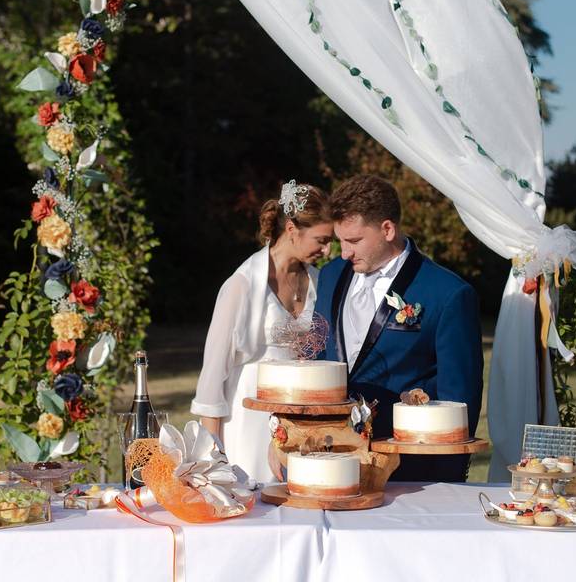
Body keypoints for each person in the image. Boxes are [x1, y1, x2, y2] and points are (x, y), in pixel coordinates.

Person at [314, 175, 483, 482]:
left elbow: (460, 399)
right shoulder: (330, 276)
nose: (344, 253)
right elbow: (317, 361)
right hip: (330, 459)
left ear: (387, 229)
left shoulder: (447, 294)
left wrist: (447, 481)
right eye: (341, 241)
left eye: (353, 241)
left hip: (410, 469)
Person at [191, 180, 333, 482]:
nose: (328, 249)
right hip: (248, 421)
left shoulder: (320, 281)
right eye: (321, 240)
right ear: (292, 228)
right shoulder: (241, 286)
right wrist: (213, 456)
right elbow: (213, 376)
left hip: (302, 424)